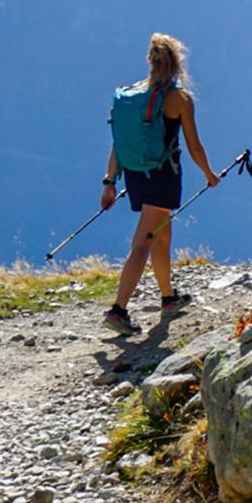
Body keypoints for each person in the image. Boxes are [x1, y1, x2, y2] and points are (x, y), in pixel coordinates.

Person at [100, 33, 218, 334]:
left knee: (161, 235)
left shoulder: (135, 96)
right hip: (163, 176)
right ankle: (118, 310)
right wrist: (209, 174)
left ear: (150, 62)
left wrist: (110, 182)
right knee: (143, 243)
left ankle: (168, 298)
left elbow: (118, 143)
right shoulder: (180, 99)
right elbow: (194, 146)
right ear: (177, 64)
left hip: (136, 176)